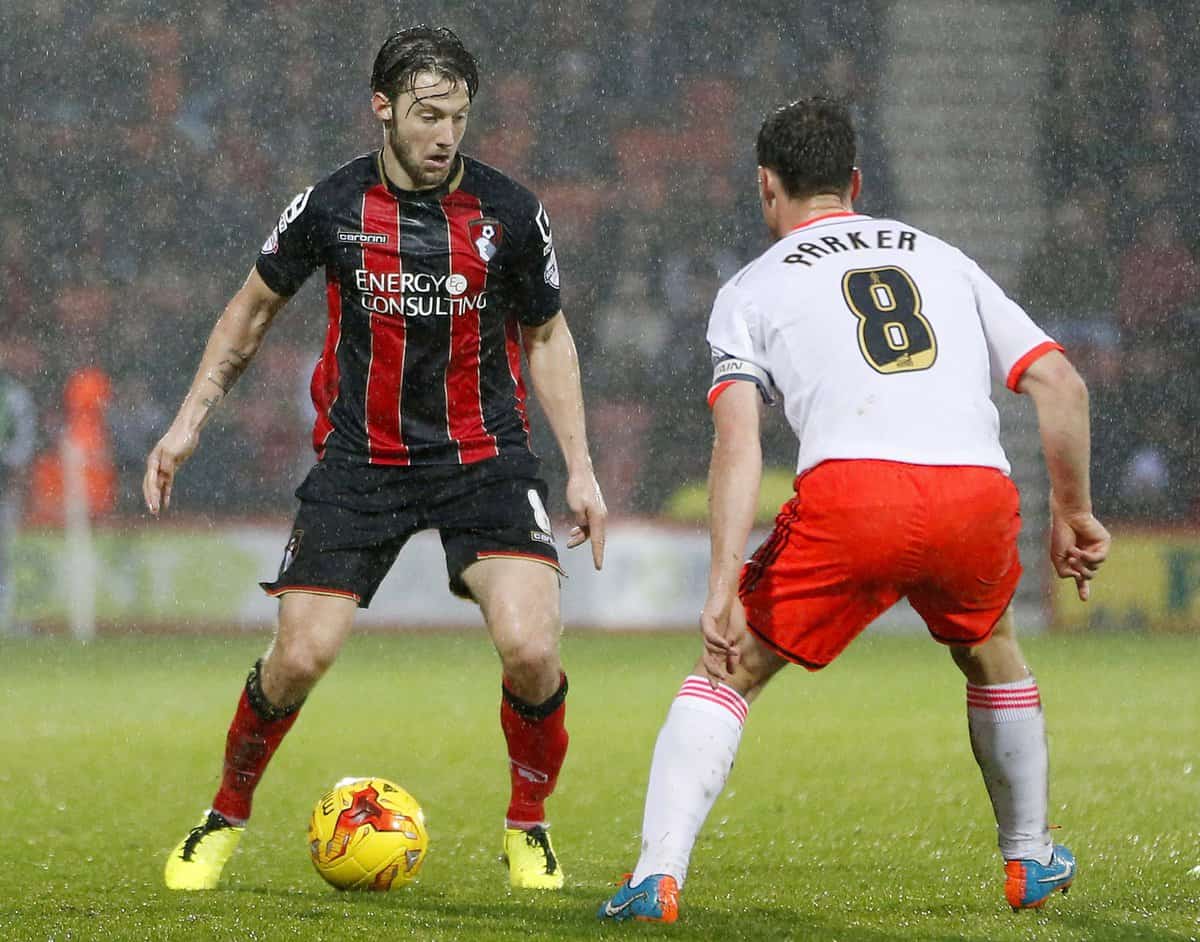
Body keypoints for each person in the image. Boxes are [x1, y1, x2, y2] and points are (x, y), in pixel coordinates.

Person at [598, 98, 1109, 923]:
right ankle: (1029, 858)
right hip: (974, 490)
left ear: (767, 187)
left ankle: (655, 877)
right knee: (992, 651)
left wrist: (722, 582)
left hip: (856, 490)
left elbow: (738, 444)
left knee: (730, 673)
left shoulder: (750, 288)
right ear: (855, 181)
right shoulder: (943, 257)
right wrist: (1073, 512)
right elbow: (1061, 384)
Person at [145, 26, 606, 892]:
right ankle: (224, 813)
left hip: (486, 456)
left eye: (459, 118)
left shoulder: (510, 211)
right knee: (300, 658)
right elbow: (249, 314)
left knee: (532, 648)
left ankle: (529, 825)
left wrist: (579, 466)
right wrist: (186, 424)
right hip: (363, 460)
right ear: (383, 108)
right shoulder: (330, 205)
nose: (445, 136)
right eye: (428, 115)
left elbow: (547, 334)